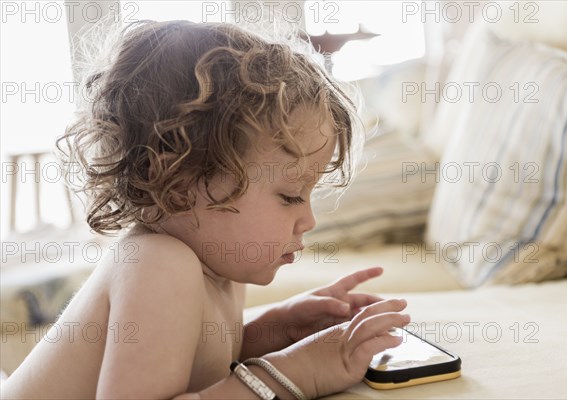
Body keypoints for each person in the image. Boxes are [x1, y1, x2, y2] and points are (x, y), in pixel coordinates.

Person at [0, 20, 410, 399]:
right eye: (288, 196)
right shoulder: (159, 264)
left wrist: (278, 328)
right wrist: (297, 371)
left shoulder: (220, 266)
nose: (309, 220)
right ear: (179, 186)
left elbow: (196, 360)